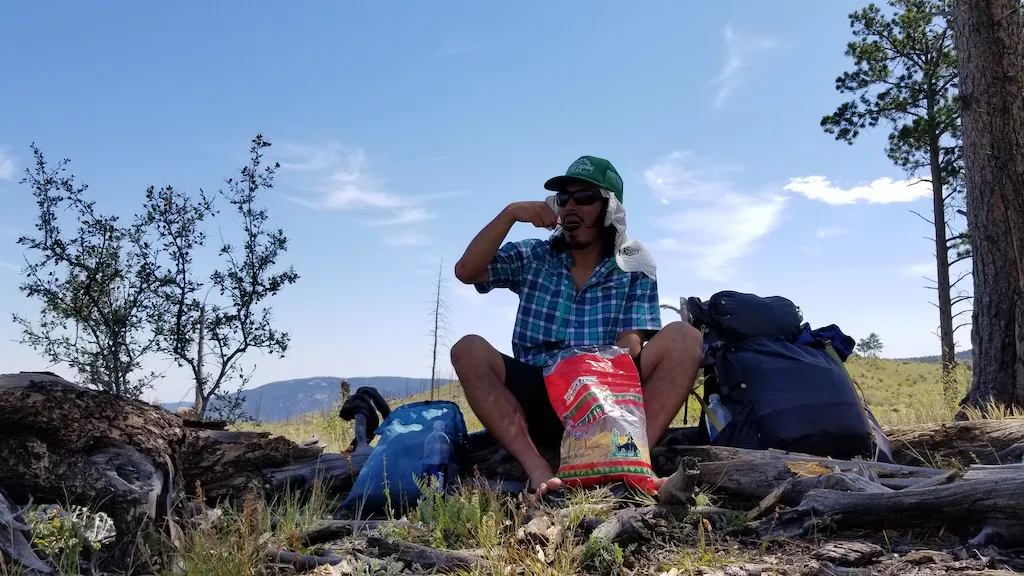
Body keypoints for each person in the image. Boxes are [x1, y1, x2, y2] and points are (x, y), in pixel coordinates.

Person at [451, 155, 703, 497]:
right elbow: (467, 271)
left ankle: (633, 459)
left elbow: (632, 339)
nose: (571, 207)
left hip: (607, 393)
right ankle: (538, 467)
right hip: (541, 388)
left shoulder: (633, 263)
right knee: (468, 350)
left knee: (684, 338)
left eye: (584, 198)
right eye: (564, 198)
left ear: (609, 208)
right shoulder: (535, 256)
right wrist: (511, 213)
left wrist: (602, 363)